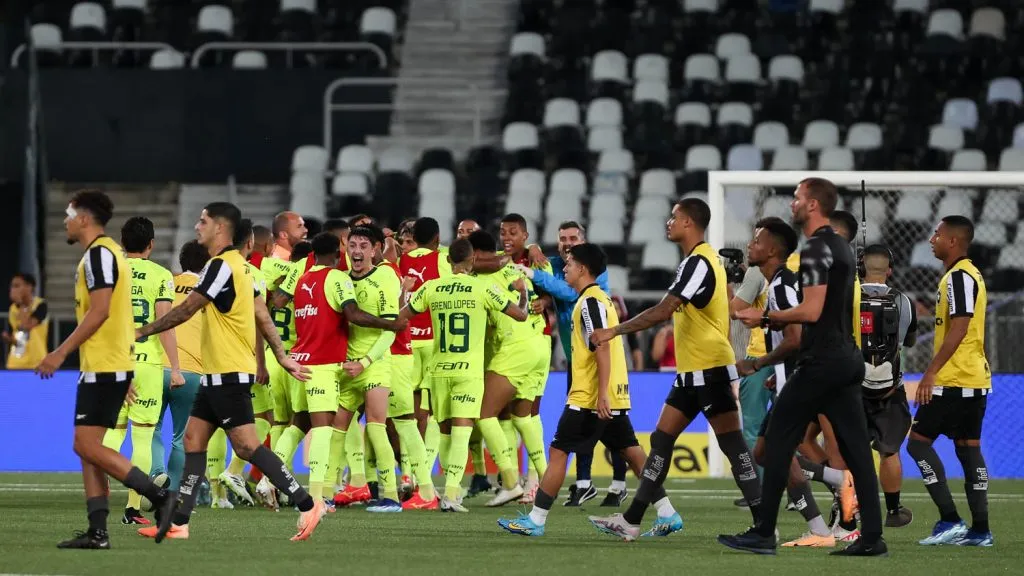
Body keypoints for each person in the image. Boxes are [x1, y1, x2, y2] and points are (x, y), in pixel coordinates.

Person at [135, 202, 323, 542]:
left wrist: (141, 331)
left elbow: (188, 309)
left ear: (221, 228)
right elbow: (262, 314)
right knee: (193, 439)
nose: (197, 226)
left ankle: (308, 503)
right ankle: (179, 522)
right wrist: (280, 357)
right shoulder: (242, 267)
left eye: (203, 221)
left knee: (248, 447)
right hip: (216, 374)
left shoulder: (220, 266)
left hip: (229, 373)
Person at [723, 177, 886, 556]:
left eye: (797, 198)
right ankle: (873, 538)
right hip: (847, 358)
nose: (792, 203)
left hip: (821, 361)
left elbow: (812, 311)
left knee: (776, 440)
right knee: (859, 452)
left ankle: (763, 532)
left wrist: (764, 318)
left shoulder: (815, 250)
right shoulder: (842, 248)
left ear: (813, 204)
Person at [588, 198, 761, 540]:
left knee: (733, 446)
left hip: (708, 370)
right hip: (693, 371)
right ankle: (633, 519)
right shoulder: (707, 261)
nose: (668, 222)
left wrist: (614, 330)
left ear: (688, 224)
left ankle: (762, 524)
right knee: (661, 438)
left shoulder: (698, 262)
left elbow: (664, 310)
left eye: (674, 217)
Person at [498, 243, 679, 537]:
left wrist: (602, 393)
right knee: (632, 453)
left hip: (591, 397)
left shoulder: (590, 303)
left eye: (569, 264)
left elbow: (601, 345)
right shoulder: (599, 299)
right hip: (607, 395)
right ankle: (667, 512)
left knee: (558, 452)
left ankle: (537, 519)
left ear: (582, 268)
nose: (565, 268)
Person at [36, 190, 175, 549]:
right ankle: (98, 531)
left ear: (84, 218)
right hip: (110, 365)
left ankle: (158, 497)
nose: (65, 221)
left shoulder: (99, 255)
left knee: (85, 444)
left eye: (69, 214)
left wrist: (59, 351)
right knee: (87, 447)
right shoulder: (108, 254)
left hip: (103, 366)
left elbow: (100, 312)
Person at [396, 238, 528, 512]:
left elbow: (401, 316)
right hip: (467, 372)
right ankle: (452, 495)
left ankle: (443, 490)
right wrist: (523, 293)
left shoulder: (431, 287)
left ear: (447, 261)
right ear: (471, 261)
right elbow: (520, 315)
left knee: (444, 432)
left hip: (438, 370)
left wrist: (402, 291)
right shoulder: (482, 288)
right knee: (463, 430)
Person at [737, 217, 835, 548]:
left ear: (774, 250)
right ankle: (835, 485)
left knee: (774, 453)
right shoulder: (780, 283)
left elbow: (795, 338)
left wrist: (759, 364)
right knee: (766, 453)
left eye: (757, 240)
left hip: (796, 382)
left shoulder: (780, 285)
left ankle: (791, 529)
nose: (751, 245)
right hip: (789, 379)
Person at [516, 220, 627, 507]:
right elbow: (545, 272)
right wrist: (532, 248)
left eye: (573, 238)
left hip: (600, 363)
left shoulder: (593, 274)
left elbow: (566, 291)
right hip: (578, 362)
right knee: (607, 430)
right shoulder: (557, 264)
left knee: (599, 429)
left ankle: (618, 483)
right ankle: (584, 483)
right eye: (563, 238)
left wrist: (532, 273)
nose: (567, 243)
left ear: (583, 241)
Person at [909, 216, 993, 547]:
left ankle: (950, 520)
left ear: (953, 241)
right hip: (973, 378)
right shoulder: (969, 275)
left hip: (954, 379)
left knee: (917, 443)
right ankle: (980, 530)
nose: (932, 239)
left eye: (938, 234)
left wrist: (930, 373)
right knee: (968, 449)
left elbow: (959, 327)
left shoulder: (958, 277)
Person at [100, 216, 181, 525]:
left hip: (113, 362)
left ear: (122, 243)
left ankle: (100, 486)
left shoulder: (111, 274)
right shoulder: (161, 275)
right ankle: (133, 509)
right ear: (151, 244)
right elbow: (165, 325)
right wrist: (174, 367)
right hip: (147, 362)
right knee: (143, 439)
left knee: (114, 432)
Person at [332, 225, 404, 512]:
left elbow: (391, 330)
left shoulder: (385, 276)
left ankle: (391, 497)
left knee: (376, 426)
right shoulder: (341, 280)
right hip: (347, 367)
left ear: (375, 249)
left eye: (364, 246)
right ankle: (326, 493)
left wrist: (365, 362)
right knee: (337, 429)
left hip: (373, 365)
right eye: (353, 245)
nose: (357, 251)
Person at [466, 230, 539, 507]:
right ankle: (541, 480)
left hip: (513, 348)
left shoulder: (484, 274)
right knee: (518, 418)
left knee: (484, 415)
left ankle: (510, 483)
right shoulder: (512, 270)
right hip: (534, 345)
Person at [498, 214, 553, 503]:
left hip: (535, 340)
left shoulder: (538, 262)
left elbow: (556, 294)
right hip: (506, 344)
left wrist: (543, 301)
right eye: (503, 232)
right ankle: (513, 480)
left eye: (514, 233)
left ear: (525, 235)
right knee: (505, 414)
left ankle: (535, 480)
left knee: (529, 412)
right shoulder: (496, 261)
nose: (507, 237)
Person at [150, 241, 208, 497]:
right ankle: (173, 491)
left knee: (150, 428)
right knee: (182, 436)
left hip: (157, 366)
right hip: (193, 370)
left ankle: (156, 474)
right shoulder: (209, 291)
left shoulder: (167, 283)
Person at [398, 217, 452, 480]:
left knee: (407, 410)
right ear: (437, 238)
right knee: (429, 413)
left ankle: (407, 472)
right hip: (433, 342)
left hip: (408, 341)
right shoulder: (441, 260)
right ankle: (424, 475)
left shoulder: (401, 260)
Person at [4, 273, 48, 370]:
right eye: (12, 286)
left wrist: (21, 304)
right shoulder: (13, 309)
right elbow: (20, 338)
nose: (13, 289)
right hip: (15, 363)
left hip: (37, 362)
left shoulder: (40, 305)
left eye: (17, 286)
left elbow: (26, 326)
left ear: (29, 287)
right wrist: (8, 339)